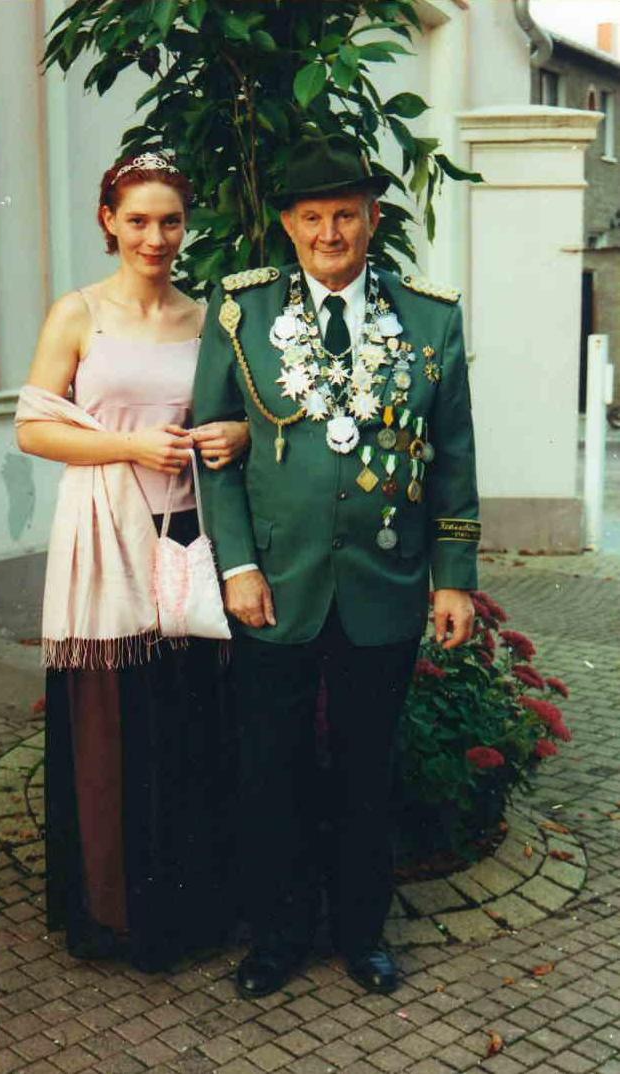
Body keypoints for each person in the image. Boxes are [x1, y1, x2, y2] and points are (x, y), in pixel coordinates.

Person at [193, 136, 480, 996]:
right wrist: (237, 567)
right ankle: (278, 938)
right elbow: (216, 456)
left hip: (383, 585)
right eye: (312, 217)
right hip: (276, 586)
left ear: (372, 219)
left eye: (346, 215)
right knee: (271, 769)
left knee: (366, 771)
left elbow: (453, 453)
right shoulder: (240, 313)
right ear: (288, 224)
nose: (329, 234)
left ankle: (362, 935)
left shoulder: (430, 318)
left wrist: (454, 576)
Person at [15, 151, 248, 968]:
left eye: (171, 221)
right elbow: (33, 428)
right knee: (112, 725)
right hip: (106, 539)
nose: (156, 238)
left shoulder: (207, 318)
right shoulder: (77, 313)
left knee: (186, 722)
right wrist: (130, 446)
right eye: (139, 220)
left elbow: (239, 413)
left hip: (187, 539)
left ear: (187, 226)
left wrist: (237, 433)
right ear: (109, 221)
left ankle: (185, 914)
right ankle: (115, 915)